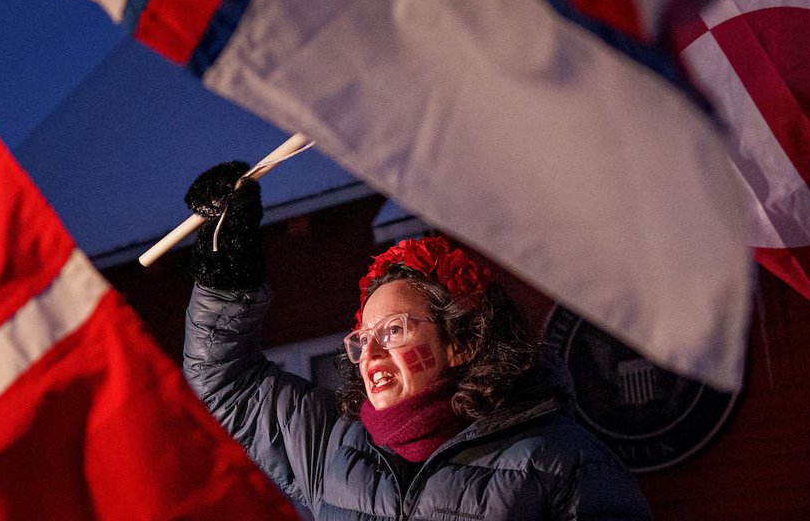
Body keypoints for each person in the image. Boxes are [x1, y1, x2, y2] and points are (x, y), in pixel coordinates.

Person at [182, 162, 653, 520]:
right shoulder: (330, 448)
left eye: (393, 331)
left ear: (461, 342)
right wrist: (227, 276)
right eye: (362, 338)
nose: (370, 353)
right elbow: (224, 382)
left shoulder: (561, 463)